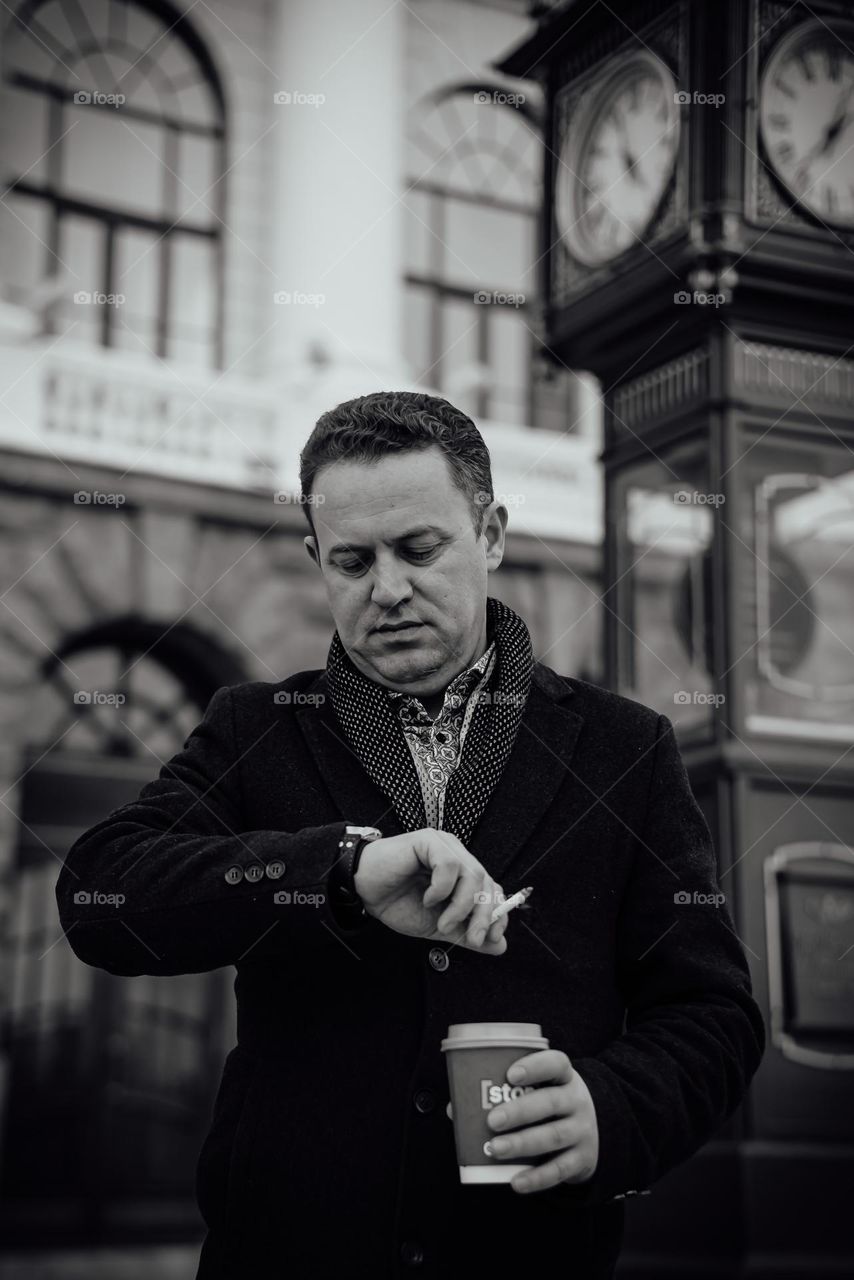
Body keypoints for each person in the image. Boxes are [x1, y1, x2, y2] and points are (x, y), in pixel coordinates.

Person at [56, 390, 765, 1279]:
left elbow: (713, 1012)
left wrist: (613, 1110)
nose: (386, 589)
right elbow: (98, 894)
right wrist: (338, 872)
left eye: (418, 550)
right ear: (316, 559)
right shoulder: (254, 729)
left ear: (493, 535)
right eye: (351, 561)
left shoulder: (625, 748)